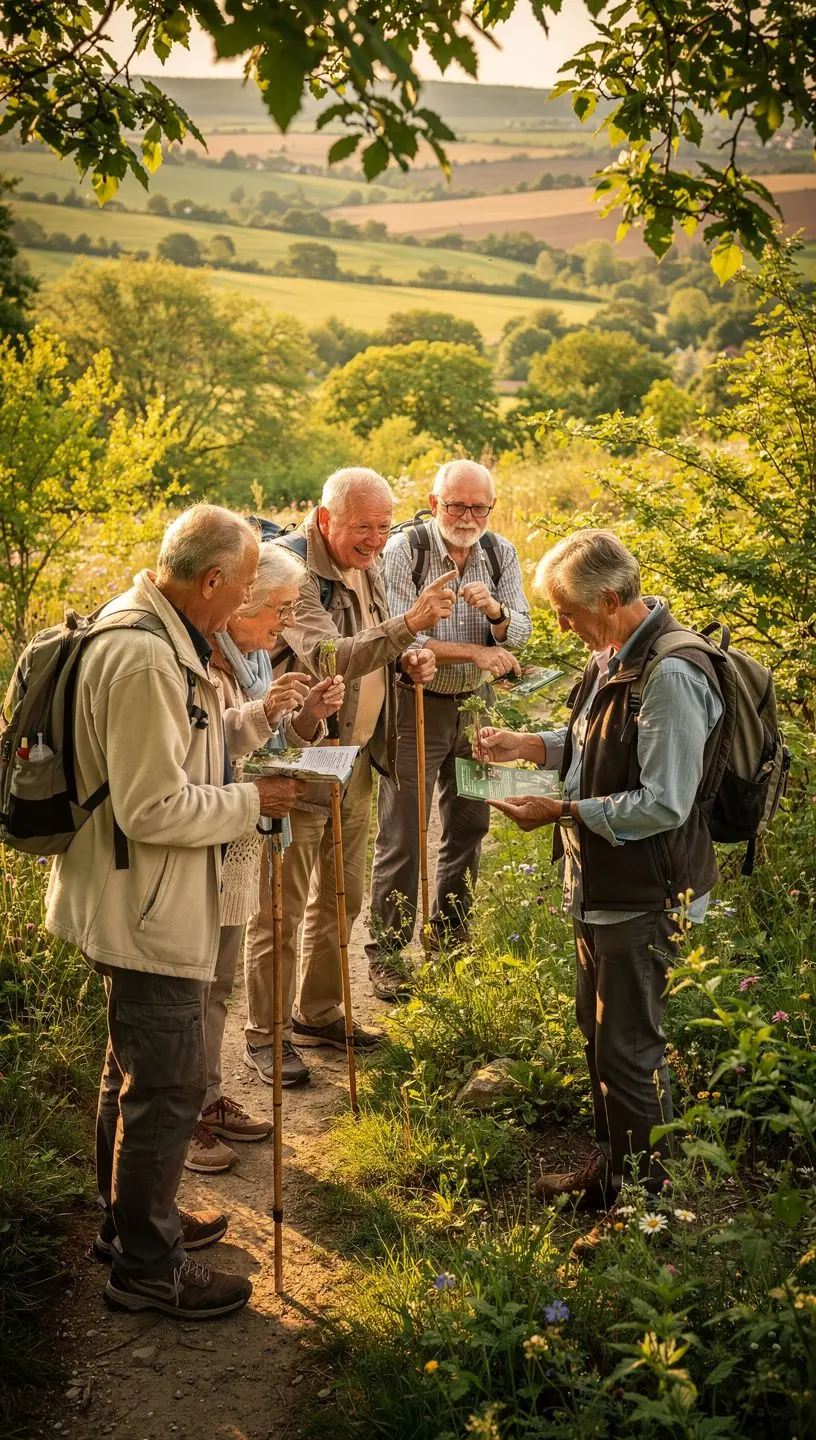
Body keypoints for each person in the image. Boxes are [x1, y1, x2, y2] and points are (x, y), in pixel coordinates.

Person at [46, 505, 303, 1320]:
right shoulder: (144, 657)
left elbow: (185, 744)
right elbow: (152, 806)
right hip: (144, 906)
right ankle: (148, 1269)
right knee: (166, 1087)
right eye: (246, 585)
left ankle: (128, 1226)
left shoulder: (156, 633)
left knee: (132, 1073)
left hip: (136, 897)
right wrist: (253, 801)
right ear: (212, 579)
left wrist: (254, 722)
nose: (249, 601)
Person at [474, 529, 724, 1259]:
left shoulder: (671, 674)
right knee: (603, 1035)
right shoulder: (612, 652)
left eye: (568, 612)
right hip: (602, 884)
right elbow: (589, 740)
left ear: (612, 599)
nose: (559, 625)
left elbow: (665, 802)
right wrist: (529, 747)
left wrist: (564, 811)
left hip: (647, 894)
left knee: (631, 1050)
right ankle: (616, 1173)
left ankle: (647, 1210)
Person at [243, 467, 455, 1088]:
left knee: (344, 893)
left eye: (385, 526)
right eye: (364, 527)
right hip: (297, 758)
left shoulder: (370, 563)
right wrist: (409, 626)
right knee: (280, 908)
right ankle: (266, 1034)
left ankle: (319, 1014)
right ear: (326, 518)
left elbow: (375, 645)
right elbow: (329, 654)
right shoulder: (293, 573)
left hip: (357, 759)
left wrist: (408, 657)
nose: (377, 539)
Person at [186, 541, 345, 1173]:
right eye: (278, 608)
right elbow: (203, 756)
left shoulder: (248, 659)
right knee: (192, 987)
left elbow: (270, 744)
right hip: (199, 840)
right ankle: (185, 1117)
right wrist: (263, 718)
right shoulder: (198, 660)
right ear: (239, 601)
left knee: (218, 982)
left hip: (238, 838)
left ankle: (207, 1099)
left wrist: (304, 716)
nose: (285, 622)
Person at [366, 459, 532, 997]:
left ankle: (450, 941)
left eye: (479, 507)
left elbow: (521, 631)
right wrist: (477, 652)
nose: (467, 517)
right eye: (457, 505)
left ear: (490, 508)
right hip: (415, 701)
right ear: (435, 503)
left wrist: (496, 613)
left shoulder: (499, 552)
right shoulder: (405, 550)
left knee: (469, 824)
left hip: (476, 705)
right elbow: (397, 634)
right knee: (403, 830)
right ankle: (388, 953)